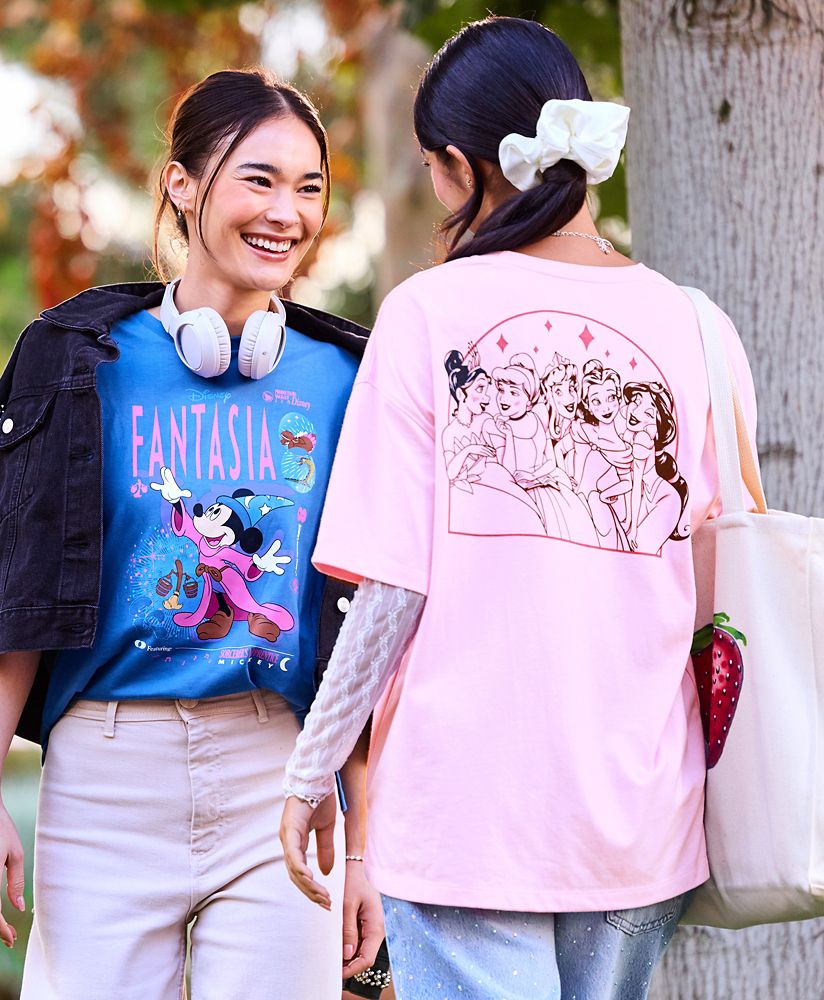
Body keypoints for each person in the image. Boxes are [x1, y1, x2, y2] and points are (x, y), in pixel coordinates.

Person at [0, 69, 385, 999]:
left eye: (309, 187)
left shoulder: (349, 377)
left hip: (282, 777)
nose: (287, 213)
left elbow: (366, 619)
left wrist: (371, 849)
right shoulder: (76, 361)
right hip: (105, 779)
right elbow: (10, 583)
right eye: (258, 179)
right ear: (182, 184)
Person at [279, 16, 759, 1000]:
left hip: (468, 817)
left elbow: (390, 592)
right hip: (638, 819)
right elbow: (726, 573)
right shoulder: (696, 326)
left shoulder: (426, 314)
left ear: (456, 168)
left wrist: (310, 768)